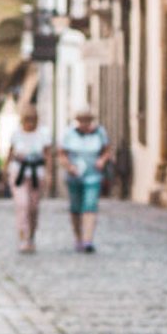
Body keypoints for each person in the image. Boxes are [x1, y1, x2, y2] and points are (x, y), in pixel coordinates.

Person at [60, 106, 112, 252]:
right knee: (75, 208)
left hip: (93, 174)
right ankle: (78, 237)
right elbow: (62, 153)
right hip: (74, 175)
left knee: (90, 205)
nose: (84, 123)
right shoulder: (69, 133)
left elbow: (107, 150)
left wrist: (102, 160)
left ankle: (88, 240)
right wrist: (69, 167)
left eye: (87, 120)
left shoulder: (100, 132)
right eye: (81, 120)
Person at [5, 102, 49, 254]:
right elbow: (9, 154)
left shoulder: (43, 134)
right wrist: (5, 172)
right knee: (22, 205)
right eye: (27, 120)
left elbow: (47, 155)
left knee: (33, 208)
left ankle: (31, 236)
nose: (29, 123)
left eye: (32, 120)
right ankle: (23, 238)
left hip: (37, 174)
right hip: (19, 174)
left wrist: (49, 175)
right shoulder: (16, 134)